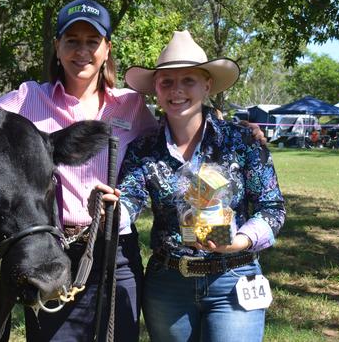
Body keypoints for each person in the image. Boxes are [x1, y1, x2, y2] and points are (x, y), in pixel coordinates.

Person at [0, 0, 157, 342]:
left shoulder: (132, 105)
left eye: (92, 42)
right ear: (57, 47)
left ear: (107, 49)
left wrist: (243, 132)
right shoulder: (29, 98)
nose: (82, 51)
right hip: (51, 247)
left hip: (115, 252)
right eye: (72, 41)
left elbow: (165, 145)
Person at [96, 30, 286, 342]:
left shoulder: (242, 142)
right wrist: (115, 212)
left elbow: (272, 208)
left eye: (188, 81)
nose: (176, 90)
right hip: (168, 285)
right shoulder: (144, 149)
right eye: (167, 82)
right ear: (156, 88)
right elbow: (129, 197)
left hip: (235, 277)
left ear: (207, 85)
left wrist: (239, 241)